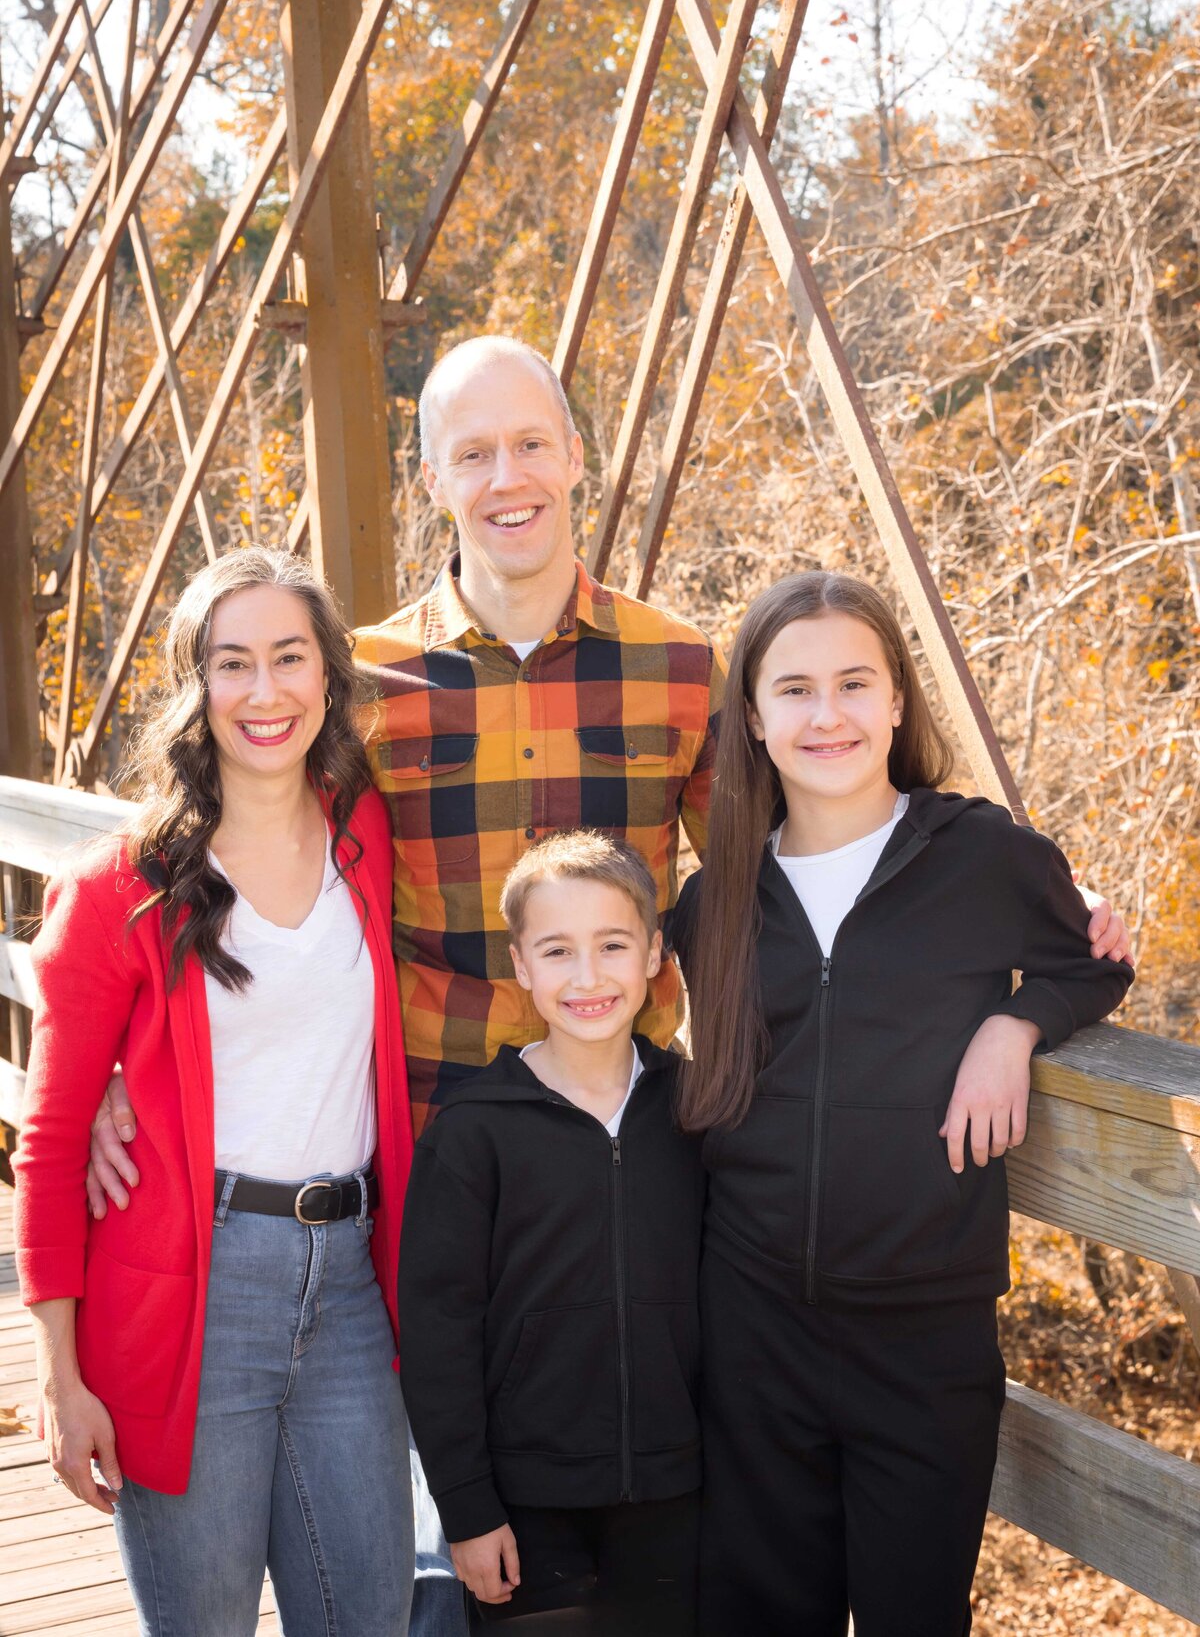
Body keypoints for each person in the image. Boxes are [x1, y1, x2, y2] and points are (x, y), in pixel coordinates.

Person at [83, 339, 1131, 1631]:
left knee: (650, 1528)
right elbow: (238, 857)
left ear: (577, 456)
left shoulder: (679, 669)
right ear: (431, 478)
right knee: (443, 1527)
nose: (508, 475)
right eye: (473, 452)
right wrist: (126, 1058)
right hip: (434, 1148)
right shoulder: (361, 682)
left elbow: (779, 854)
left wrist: (1027, 967)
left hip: (630, 1159)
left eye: (533, 443)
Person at [671, 571, 1135, 1637]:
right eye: (793, 689)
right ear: (751, 714)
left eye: (852, 682)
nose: (825, 713)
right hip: (752, 1333)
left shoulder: (980, 856)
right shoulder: (719, 895)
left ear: (895, 701)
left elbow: (1095, 963)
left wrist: (1014, 1026)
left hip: (924, 1341)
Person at [14, 548, 416, 1636]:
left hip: (346, 1289)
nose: (265, 690)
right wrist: (60, 1372)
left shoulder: (363, 835)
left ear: (329, 676)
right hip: (191, 1293)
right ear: (197, 686)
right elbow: (50, 1145)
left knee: (368, 1616)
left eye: (290, 656)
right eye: (231, 663)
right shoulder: (119, 889)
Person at [399, 832, 705, 1633]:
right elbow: (439, 1334)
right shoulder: (473, 1131)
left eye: (612, 945)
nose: (588, 976)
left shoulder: (698, 1114)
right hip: (526, 1507)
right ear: (522, 965)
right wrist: (465, 1510)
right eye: (558, 950)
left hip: (684, 1494)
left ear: (652, 955)